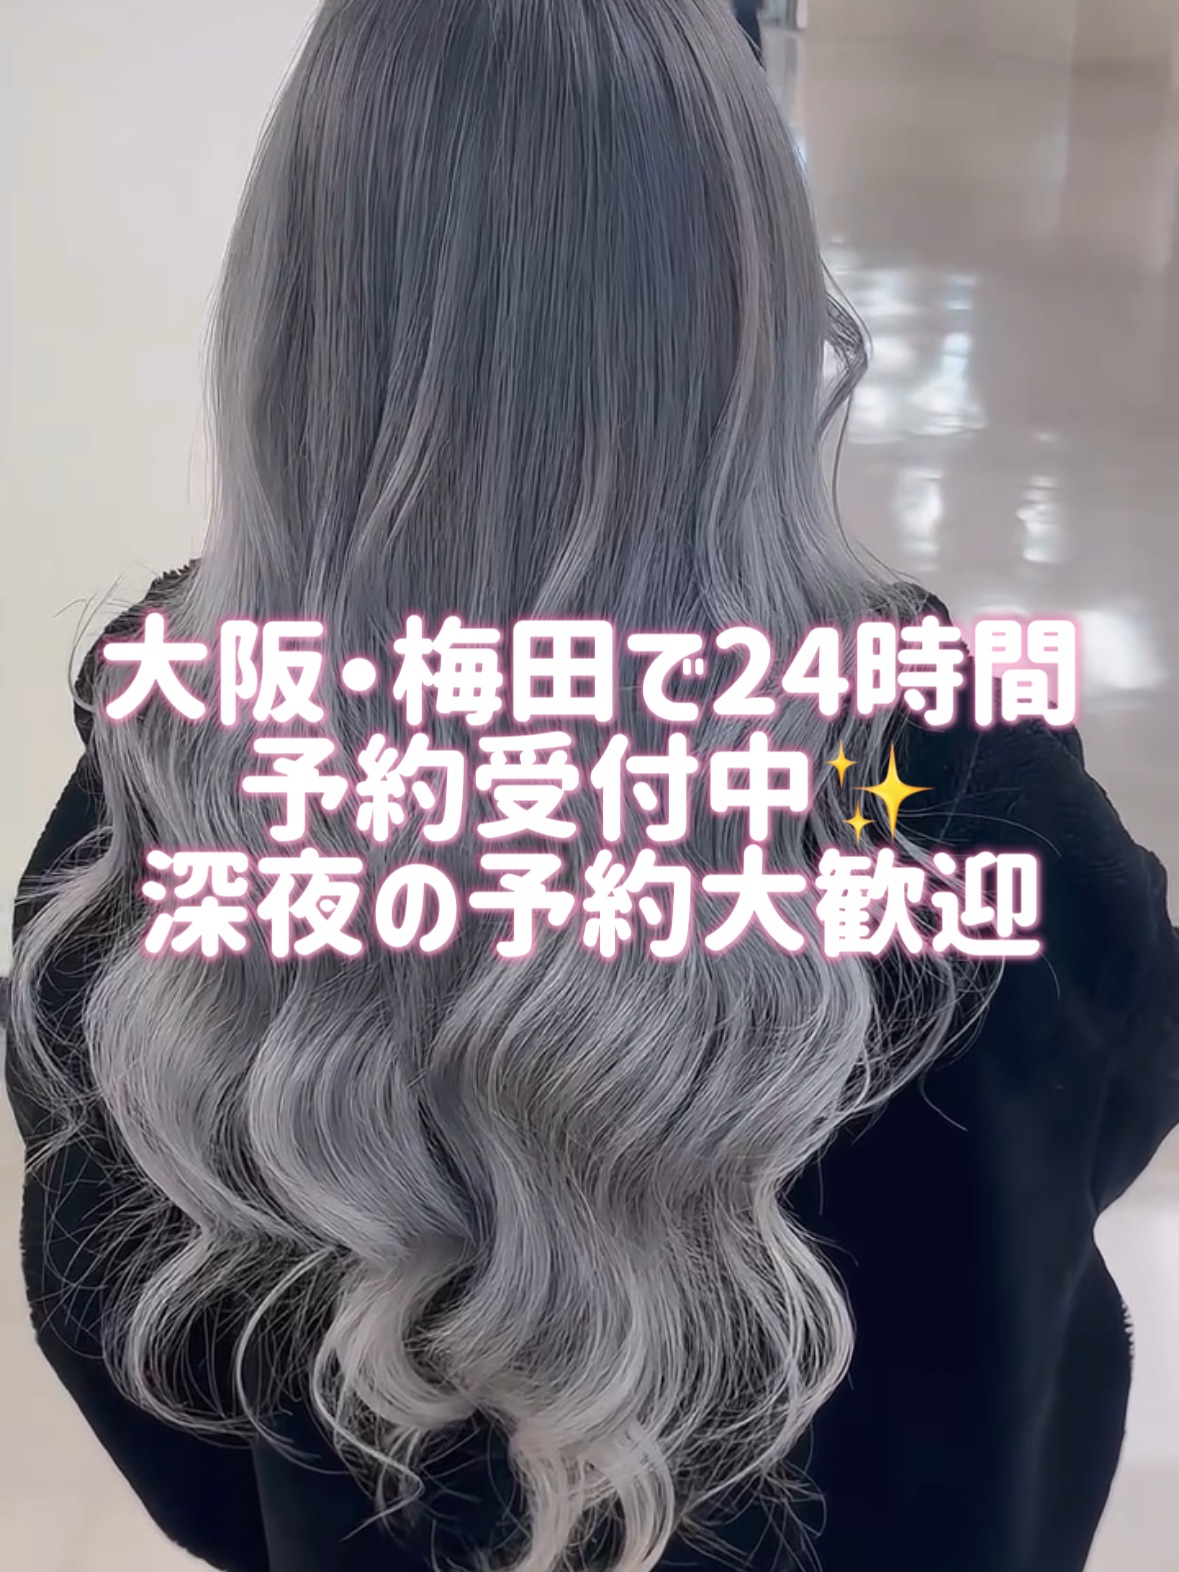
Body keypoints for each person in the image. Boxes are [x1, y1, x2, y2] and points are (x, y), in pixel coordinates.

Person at [8, 3, 1179, 1571]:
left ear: (297, 304)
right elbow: (1092, 1119)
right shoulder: (952, 766)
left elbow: (126, 1324)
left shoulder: (184, 750)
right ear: (748, 292)